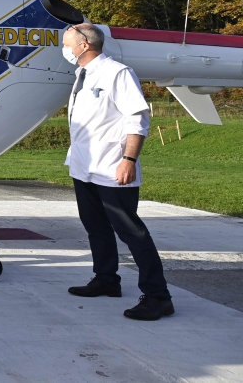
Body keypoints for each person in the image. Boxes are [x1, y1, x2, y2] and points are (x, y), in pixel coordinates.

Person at [62, 23, 173, 320]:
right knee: (95, 226)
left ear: (84, 45)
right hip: (84, 166)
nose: (64, 49)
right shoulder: (81, 75)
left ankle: (158, 296)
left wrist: (129, 160)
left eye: (67, 43)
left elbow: (137, 119)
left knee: (131, 231)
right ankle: (106, 279)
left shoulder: (117, 73)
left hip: (113, 166)